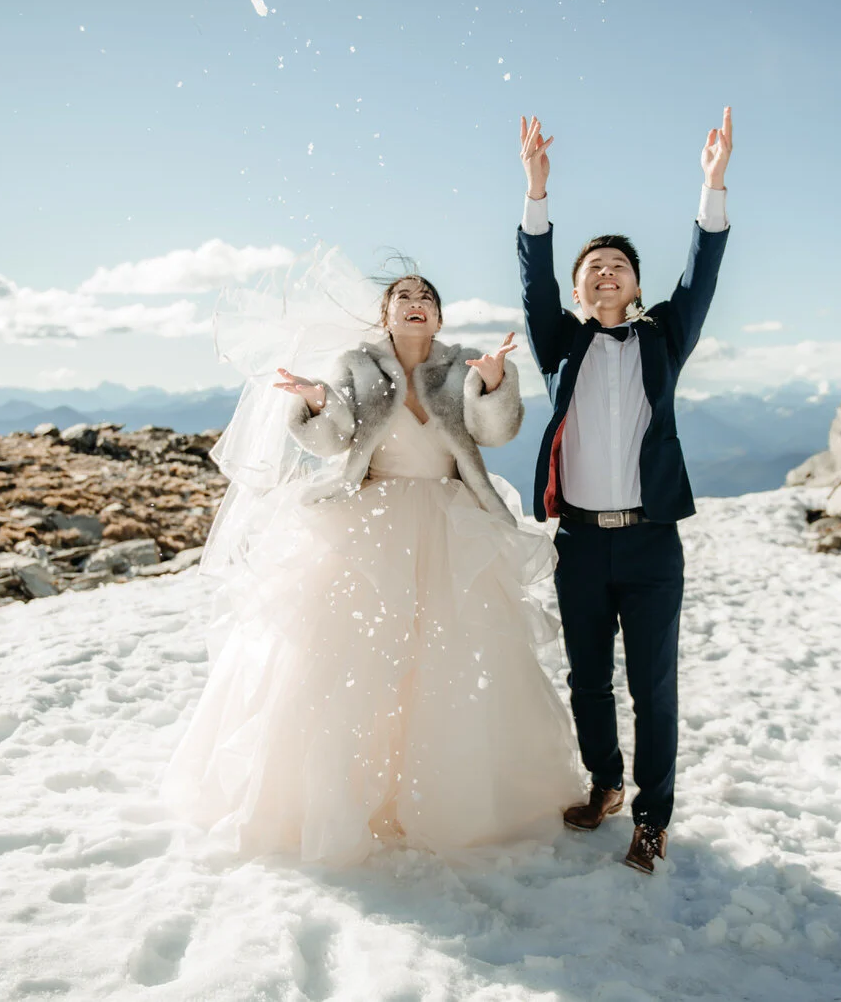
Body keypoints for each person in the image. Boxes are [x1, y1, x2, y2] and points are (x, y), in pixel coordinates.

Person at [159, 271, 585, 866]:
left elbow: (493, 432)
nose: (416, 306)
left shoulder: (463, 364)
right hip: (371, 519)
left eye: (427, 300)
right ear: (385, 315)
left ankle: (456, 798)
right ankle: (342, 797)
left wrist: (492, 384)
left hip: (449, 520)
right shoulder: (357, 366)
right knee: (353, 657)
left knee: (450, 654)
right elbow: (333, 442)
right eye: (403, 299)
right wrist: (313, 403)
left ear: (440, 318)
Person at [515, 108, 734, 873]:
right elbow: (533, 281)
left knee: (653, 687)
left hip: (649, 542)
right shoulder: (561, 343)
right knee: (586, 680)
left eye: (617, 265)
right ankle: (604, 782)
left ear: (635, 283)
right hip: (578, 541)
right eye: (592, 268)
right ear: (579, 290)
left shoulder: (665, 336)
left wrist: (711, 190)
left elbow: (700, 276)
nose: (604, 273)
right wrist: (537, 194)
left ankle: (652, 815)